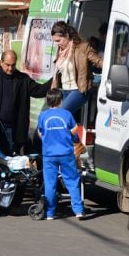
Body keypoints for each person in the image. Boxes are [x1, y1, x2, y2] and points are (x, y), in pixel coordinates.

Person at [0, 50, 51, 203]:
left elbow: (39, 91)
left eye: (13, 65)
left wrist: (54, 81)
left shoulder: (21, 79)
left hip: (12, 130)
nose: (10, 68)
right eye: (7, 65)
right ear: (1, 62)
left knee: (9, 164)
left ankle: (5, 198)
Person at [37, 89, 85, 221]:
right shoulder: (67, 114)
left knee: (50, 183)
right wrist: (75, 142)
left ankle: (50, 213)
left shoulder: (43, 115)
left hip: (49, 155)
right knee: (72, 181)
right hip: (66, 153)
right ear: (61, 100)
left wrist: (47, 141)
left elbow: (40, 134)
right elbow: (74, 133)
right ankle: (78, 210)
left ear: (47, 101)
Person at [50, 21, 103, 118]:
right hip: (63, 90)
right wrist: (53, 91)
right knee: (63, 120)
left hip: (79, 90)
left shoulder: (82, 47)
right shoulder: (60, 51)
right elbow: (56, 75)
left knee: (61, 114)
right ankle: (71, 133)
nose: (57, 44)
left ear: (66, 35)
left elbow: (98, 61)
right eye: (55, 41)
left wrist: (111, 69)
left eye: (58, 40)